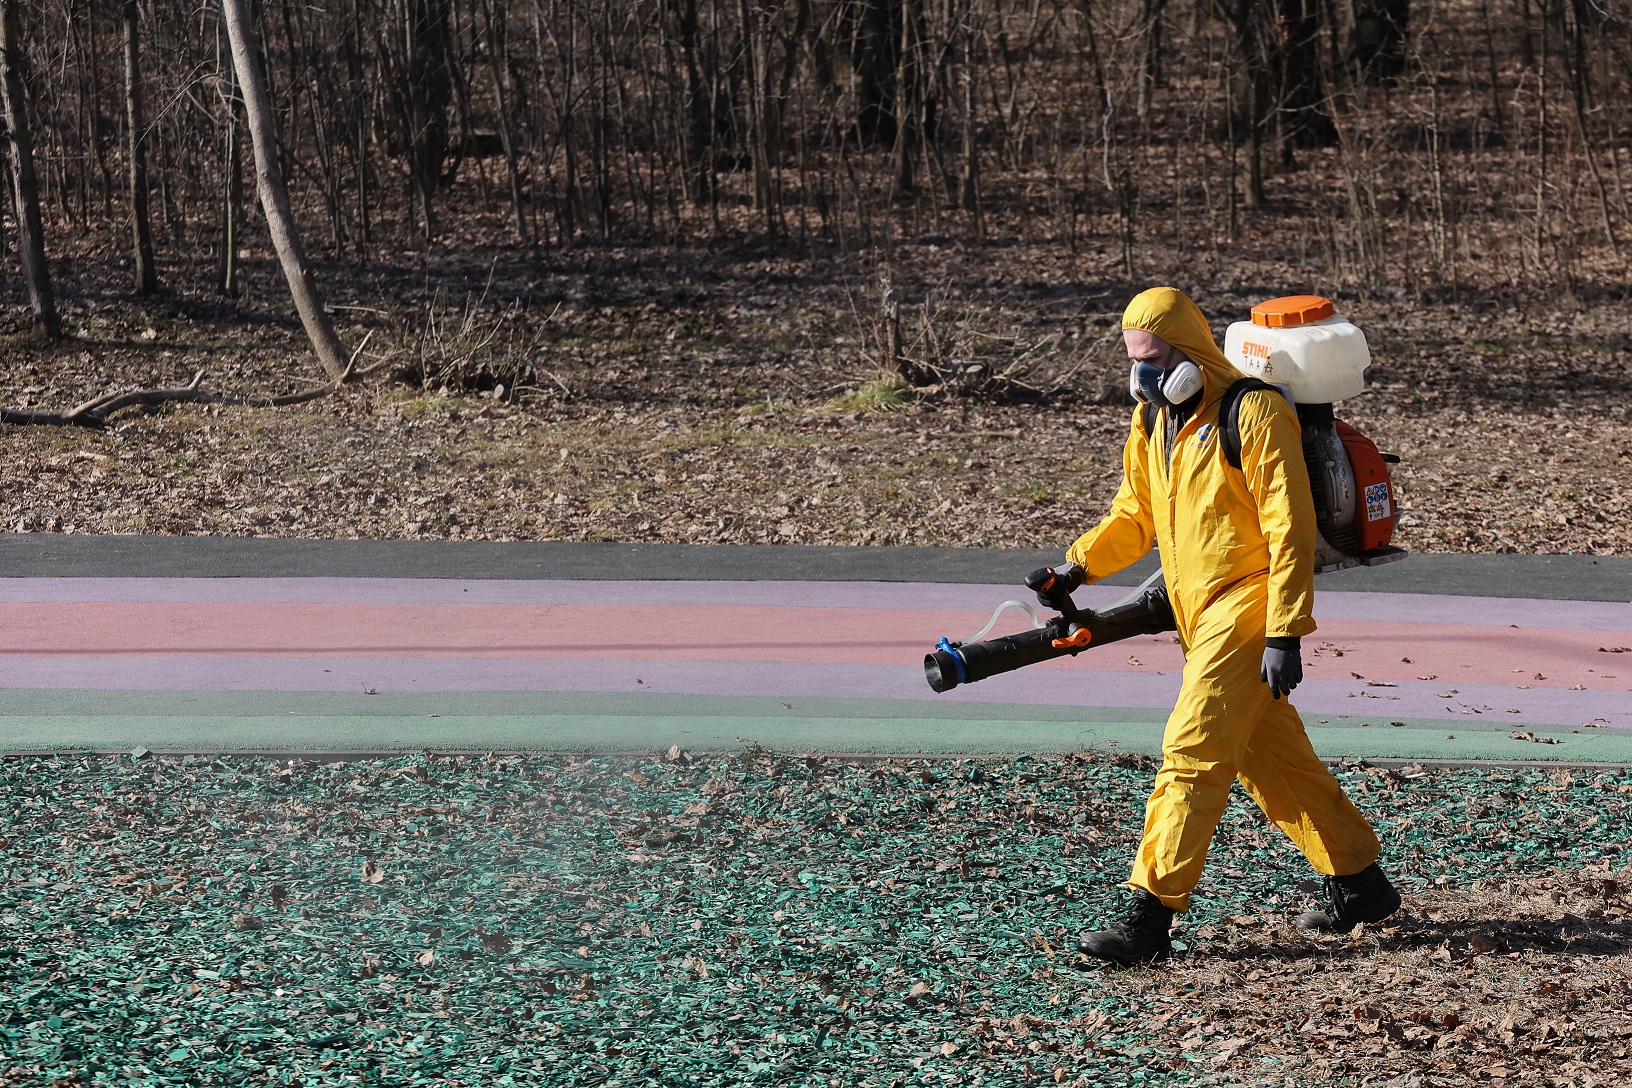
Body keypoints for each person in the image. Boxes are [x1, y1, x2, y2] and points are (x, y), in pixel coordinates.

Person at [1041, 287, 1401, 966]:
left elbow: (1288, 527)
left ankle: (1147, 920)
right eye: (1133, 359)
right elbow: (1134, 517)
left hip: (1250, 603)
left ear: (1191, 352)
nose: (1142, 373)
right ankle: (1361, 884)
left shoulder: (1254, 411)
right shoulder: (1153, 423)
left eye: (1153, 357)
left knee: (1192, 752)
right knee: (1274, 762)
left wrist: (1285, 631)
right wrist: (1076, 567)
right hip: (1198, 614)